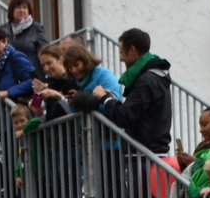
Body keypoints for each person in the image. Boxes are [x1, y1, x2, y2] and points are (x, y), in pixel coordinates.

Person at [72, 28, 172, 156]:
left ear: (132, 50)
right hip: (152, 153)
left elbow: (125, 117)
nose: (120, 59)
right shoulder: (154, 76)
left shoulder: (145, 81)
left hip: (144, 155)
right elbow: (135, 111)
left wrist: (104, 98)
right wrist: (112, 101)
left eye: (121, 53)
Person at [5, 0, 44, 65]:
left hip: (30, 72)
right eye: (18, 7)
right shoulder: (4, 29)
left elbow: (45, 49)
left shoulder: (36, 28)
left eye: (25, 7)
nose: (21, 10)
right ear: (11, 10)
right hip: (10, 72)